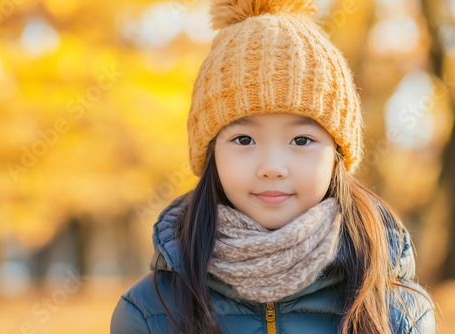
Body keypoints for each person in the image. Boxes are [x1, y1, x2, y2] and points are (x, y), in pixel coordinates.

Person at [110, 0, 436, 333]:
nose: (272, 167)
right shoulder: (149, 313)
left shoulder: (399, 313)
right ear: (211, 155)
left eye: (301, 140)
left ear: (338, 154)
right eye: (244, 140)